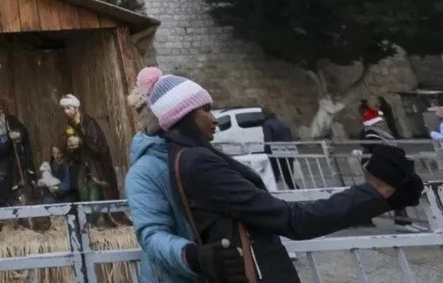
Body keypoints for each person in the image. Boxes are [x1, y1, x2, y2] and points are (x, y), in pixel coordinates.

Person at [151, 71, 423, 282]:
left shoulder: (186, 155)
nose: (214, 119)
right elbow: (294, 221)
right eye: (206, 109)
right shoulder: (198, 162)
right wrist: (375, 193)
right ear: (185, 115)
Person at [126, 67, 244, 283]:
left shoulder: (202, 156)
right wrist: (193, 256)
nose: (213, 119)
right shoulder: (144, 172)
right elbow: (151, 234)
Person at [359, 107, 423, 232]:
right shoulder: (371, 133)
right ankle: (401, 222)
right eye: (379, 120)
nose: (382, 122)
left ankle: (404, 221)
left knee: (397, 191)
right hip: (379, 166)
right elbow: (377, 148)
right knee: (395, 191)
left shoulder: (378, 132)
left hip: (385, 164)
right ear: (375, 122)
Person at [0, 99, 34, 205]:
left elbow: (22, 130)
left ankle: (19, 200)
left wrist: (17, 134)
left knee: (16, 176)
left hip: (15, 153)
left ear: (1, 108)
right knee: (2, 176)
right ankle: (4, 201)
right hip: (3, 154)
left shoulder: (10, 120)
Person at [260, 108, 297, 190]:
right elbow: (291, 136)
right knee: (289, 177)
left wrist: (265, 153)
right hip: (289, 151)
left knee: (274, 176)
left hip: (276, 153)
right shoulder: (282, 121)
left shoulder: (267, 124)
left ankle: (269, 195)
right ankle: (299, 193)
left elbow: (268, 140)